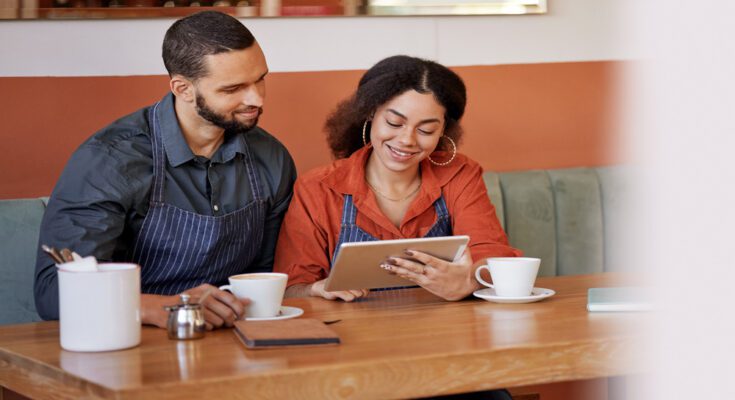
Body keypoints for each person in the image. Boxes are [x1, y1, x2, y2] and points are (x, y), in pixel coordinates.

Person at [34, 11, 296, 330]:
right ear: (182, 88)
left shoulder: (271, 159)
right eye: (233, 89)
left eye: (260, 79)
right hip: (126, 340)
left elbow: (266, 276)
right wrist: (166, 307)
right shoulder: (110, 160)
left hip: (231, 339)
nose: (256, 98)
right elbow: (53, 291)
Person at [273, 55, 521, 303]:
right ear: (370, 113)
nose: (407, 140)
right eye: (394, 122)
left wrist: (469, 282)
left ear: (443, 131)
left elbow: (494, 256)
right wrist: (316, 289)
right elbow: (291, 289)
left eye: (426, 130)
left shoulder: (460, 175)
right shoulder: (318, 188)